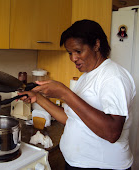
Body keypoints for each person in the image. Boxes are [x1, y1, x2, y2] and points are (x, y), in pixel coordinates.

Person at [19, 19, 136, 170]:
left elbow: (112, 133)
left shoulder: (113, 77)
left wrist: (64, 93)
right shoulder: (86, 76)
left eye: (78, 51)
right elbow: (72, 119)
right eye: (70, 53)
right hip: (78, 163)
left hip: (102, 166)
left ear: (96, 45)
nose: (73, 58)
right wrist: (38, 99)